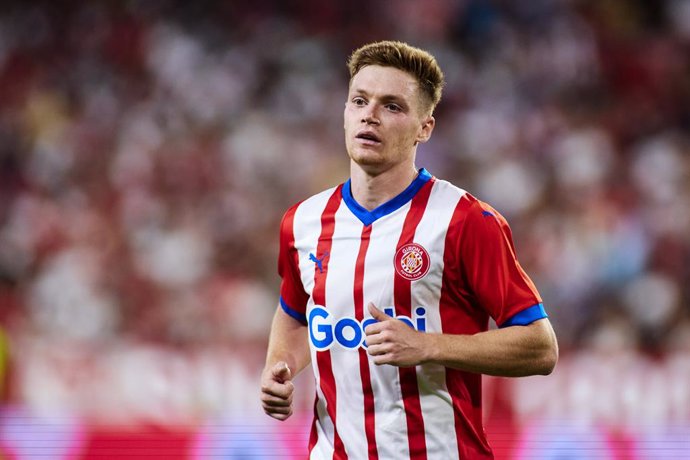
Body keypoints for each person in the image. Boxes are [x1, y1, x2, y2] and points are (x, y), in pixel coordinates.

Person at [260, 40, 558, 459]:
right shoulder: (303, 222)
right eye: (359, 101)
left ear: (425, 127)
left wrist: (429, 345)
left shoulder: (465, 221)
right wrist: (282, 368)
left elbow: (540, 347)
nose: (369, 115)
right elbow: (295, 312)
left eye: (392, 106)